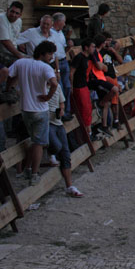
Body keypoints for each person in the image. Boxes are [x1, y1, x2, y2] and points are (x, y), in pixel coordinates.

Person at [7, 40, 59, 186]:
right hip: (40, 108)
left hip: (25, 109)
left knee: (33, 140)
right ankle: (34, 173)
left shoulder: (21, 63)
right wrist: (48, 97)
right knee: (39, 143)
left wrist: (9, 89)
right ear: (43, 53)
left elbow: (9, 75)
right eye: (50, 54)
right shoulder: (45, 67)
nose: (51, 57)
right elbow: (54, 83)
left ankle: (28, 168)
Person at [45, 61, 84, 198]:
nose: (56, 75)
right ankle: (49, 153)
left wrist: (61, 109)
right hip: (47, 122)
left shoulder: (58, 87)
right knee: (57, 146)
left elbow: (61, 102)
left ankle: (69, 185)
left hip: (57, 122)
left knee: (65, 154)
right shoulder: (41, 88)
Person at [89, 34, 120, 135]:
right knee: (114, 90)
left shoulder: (100, 52)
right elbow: (100, 67)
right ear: (102, 43)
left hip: (101, 78)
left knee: (107, 103)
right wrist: (104, 67)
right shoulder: (95, 53)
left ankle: (104, 126)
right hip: (96, 79)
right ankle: (100, 103)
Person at [70, 39, 94, 140]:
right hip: (79, 86)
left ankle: (89, 131)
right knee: (84, 109)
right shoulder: (79, 57)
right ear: (86, 47)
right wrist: (71, 86)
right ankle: (86, 133)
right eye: (92, 47)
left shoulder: (86, 57)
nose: (93, 49)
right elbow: (71, 72)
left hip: (84, 85)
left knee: (88, 108)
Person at [51, 13, 72, 115]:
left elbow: (63, 49)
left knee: (67, 87)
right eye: (63, 22)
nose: (64, 24)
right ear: (58, 22)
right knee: (60, 88)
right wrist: (57, 69)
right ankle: (62, 112)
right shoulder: (50, 33)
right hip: (57, 62)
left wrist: (69, 47)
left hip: (64, 60)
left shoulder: (61, 33)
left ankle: (67, 111)